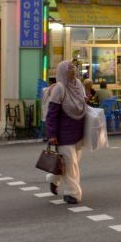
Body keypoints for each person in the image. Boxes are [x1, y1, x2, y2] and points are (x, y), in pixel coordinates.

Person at [46, 60, 86, 204]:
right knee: (71, 165)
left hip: (78, 133)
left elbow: (83, 104)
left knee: (68, 163)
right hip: (63, 135)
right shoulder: (59, 88)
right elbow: (51, 114)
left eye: (74, 67)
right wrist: (52, 135)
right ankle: (72, 193)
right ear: (63, 71)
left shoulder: (79, 85)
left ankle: (54, 178)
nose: (73, 70)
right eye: (69, 68)